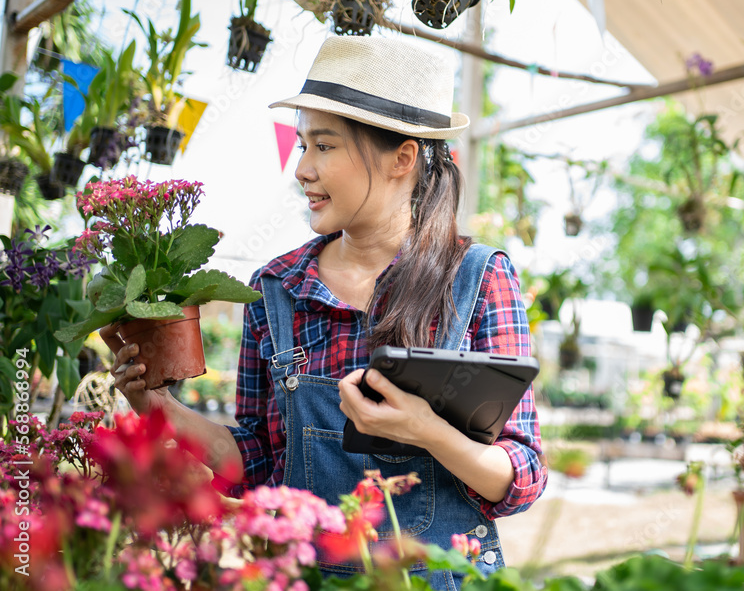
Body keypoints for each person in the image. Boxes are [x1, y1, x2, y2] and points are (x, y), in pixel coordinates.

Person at [101, 36, 547, 588]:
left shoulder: (478, 280)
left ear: (402, 157)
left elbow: (521, 476)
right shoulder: (277, 288)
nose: (303, 170)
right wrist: (157, 404)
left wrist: (428, 431)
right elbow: (258, 463)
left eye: (325, 146)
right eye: (302, 145)